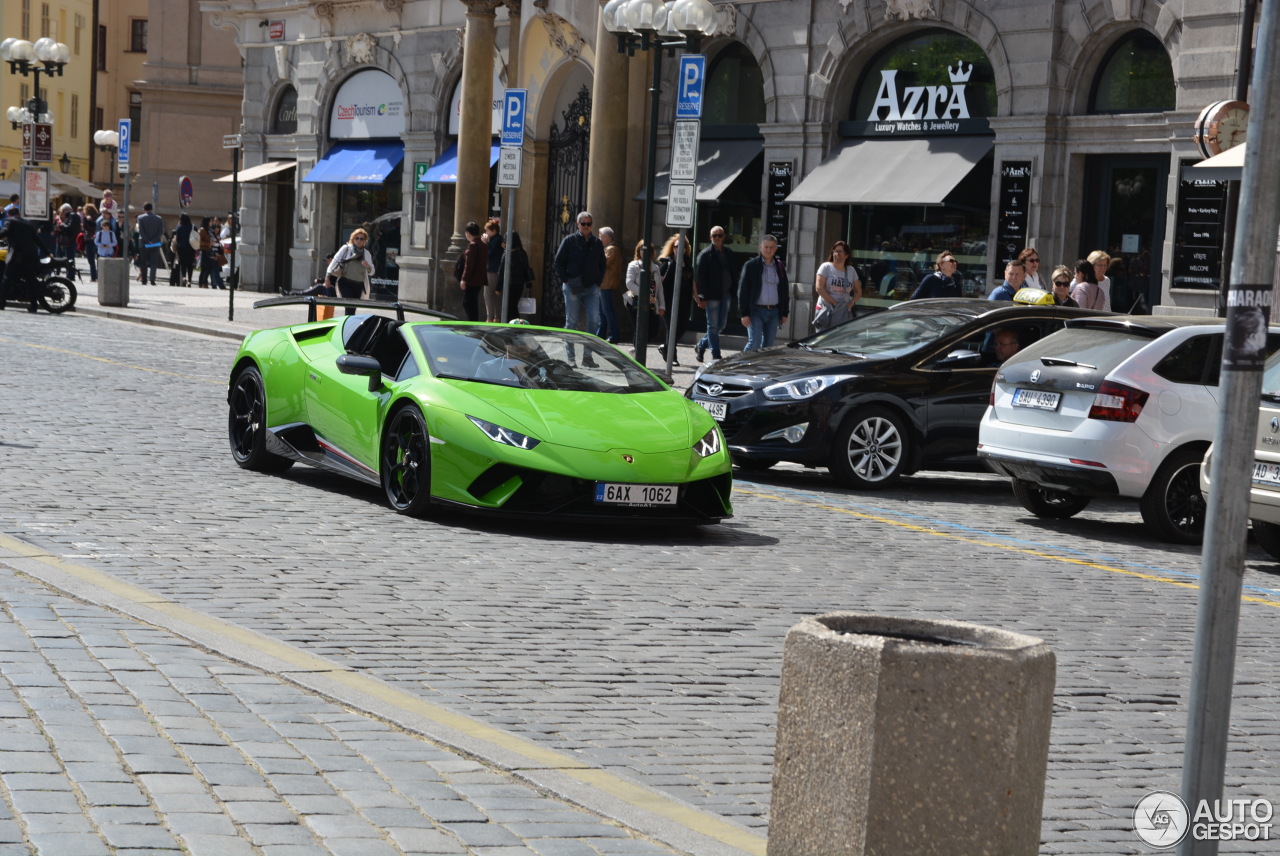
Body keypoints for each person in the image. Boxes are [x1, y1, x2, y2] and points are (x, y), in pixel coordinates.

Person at [552, 211, 606, 342]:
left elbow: (602, 263)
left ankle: (588, 355)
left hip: (591, 287)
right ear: (578, 224)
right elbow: (558, 262)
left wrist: (598, 282)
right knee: (572, 322)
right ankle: (570, 355)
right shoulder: (569, 241)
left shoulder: (597, 243)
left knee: (594, 320)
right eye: (583, 224)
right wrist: (566, 279)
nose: (586, 226)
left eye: (589, 224)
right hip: (573, 286)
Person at [738, 234, 789, 352]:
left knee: (768, 346)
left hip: (774, 312)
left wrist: (784, 312)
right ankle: (741, 365)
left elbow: (784, 290)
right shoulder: (751, 266)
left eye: (771, 247)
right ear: (760, 247)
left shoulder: (780, 266)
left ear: (775, 249)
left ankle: (758, 369)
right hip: (756, 311)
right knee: (754, 343)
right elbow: (743, 291)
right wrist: (744, 314)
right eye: (766, 247)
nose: (768, 250)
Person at [693, 225, 736, 362]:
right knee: (712, 326)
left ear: (724, 237)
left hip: (726, 294)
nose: (717, 238)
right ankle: (716, 354)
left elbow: (734, 272)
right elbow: (699, 278)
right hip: (711, 296)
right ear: (710, 237)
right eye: (714, 236)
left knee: (720, 326)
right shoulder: (705, 254)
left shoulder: (729, 252)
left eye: (720, 235)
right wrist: (701, 297)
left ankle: (701, 345)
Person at [658, 233, 694, 362]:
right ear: (673, 248)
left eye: (682, 247)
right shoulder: (666, 263)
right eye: (676, 246)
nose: (679, 249)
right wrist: (673, 265)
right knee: (671, 327)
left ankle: (666, 347)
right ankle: (671, 357)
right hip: (668, 300)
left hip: (684, 301)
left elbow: (691, 282)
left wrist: (696, 298)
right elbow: (662, 282)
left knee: (682, 327)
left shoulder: (688, 263)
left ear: (686, 249)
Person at [624, 240, 665, 349]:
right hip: (636, 301)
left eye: (647, 249)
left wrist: (662, 306)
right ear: (638, 251)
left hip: (652, 303)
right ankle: (637, 352)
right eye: (642, 249)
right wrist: (645, 295)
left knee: (654, 329)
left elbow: (659, 288)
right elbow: (629, 283)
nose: (644, 251)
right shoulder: (633, 265)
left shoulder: (655, 268)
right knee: (639, 329)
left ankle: (637, 348)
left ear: (651, 252)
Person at [814, 240, 861, 331]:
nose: (837, 254)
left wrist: (851, 303)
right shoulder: (826, 267)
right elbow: (819, 288)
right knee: (822, 340)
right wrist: (834, 304)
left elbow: (858, 291)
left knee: (839, 340)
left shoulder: (851, 270)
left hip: (843, 312)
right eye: (835, 251)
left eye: (840, 251)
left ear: (846, 255)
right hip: (826, 309)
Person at [325, 228, 374, 316]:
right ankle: (347, 327)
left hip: (358, 285)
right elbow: (334, 261)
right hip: (345, 282)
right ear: (353, 239)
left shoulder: (366, 254)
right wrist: (327, 277)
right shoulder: (346, 248)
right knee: (349, 307)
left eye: (361, 239)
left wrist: (368, 266)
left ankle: (349, 326)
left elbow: (372, 272)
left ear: (365, 241)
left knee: (352, 309)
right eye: (357, 238)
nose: (359, 240)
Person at [0, 211, 42, 312]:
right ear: (19, 214)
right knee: (30, 280)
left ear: (9, 215)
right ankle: (34, 305)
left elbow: (4, 232)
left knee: (7, 279)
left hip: (16, 257)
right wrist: (48, 252)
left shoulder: (10, 221)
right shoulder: (28, 223)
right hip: (30, 256)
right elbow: (37, 239)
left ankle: (1, 304)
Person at [597, 226, 623, 343]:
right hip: (603, 285)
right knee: (603, 313)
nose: (599, 238)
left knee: (608, 311)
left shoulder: (612, 249)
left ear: (607, 237)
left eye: (601, 236)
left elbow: (603, 263)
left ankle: (614, 335)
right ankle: (600, 335)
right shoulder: (608, 249)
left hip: (607, 285)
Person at [500, 231, 532, 322]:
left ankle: (512, 324)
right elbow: (527, 268)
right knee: (513, 306)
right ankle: (516, 323)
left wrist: (498, 288)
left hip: (509, 284)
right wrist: (529, 284)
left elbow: (502, 271)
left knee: (509, 307)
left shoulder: (508, 254)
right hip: (520, 284)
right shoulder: (522, 253)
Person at [459, 221, 487, 322]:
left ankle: (472, 324)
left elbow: (469, 265)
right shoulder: (482, 244)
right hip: (478, 280)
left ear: (468, 233)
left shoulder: (473, 245)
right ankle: (473, 322)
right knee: (471, 303)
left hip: (472, 280)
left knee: (468, 303)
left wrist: (464, 279)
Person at [135, 203, 165, 285]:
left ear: (144, 209)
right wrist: (153, 240)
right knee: (154, 262)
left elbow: (141, 231)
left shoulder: (140, 218)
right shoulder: (159, 219)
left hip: (144, 242)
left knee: (143, 262)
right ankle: (152, 279)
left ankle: (144, 280)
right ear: (152, 209)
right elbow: (160, 231)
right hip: (155, 243)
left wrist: (148, 240)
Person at [481, 218, 505, 322]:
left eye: (487, 230)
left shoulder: (496, 240)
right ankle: (496, 317)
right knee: (495, 295)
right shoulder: (497, 239)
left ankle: (490, 317)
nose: (486, 233)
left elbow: (489, 254)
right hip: (494, 270)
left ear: (494, 230)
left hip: (492, 270)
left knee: (488, 295)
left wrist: (485, 243)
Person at [198, 216, 225, 289]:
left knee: (206, 268)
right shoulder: (202, 230)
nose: (212, 223)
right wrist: (209, 243)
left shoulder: (209, 230)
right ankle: (203, 283)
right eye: (210, 221)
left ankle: (203, 283)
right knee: (206, 268)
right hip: (204, 250)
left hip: (209, 251)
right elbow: (199, 241)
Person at [174, 213, 196, 286]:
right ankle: (189, 280)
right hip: (191, 247)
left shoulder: (179, 228)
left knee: (182, 264)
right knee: (190, 264)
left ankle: (183, 277)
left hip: (182, 247)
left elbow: (177, 239)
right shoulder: (193, 227)